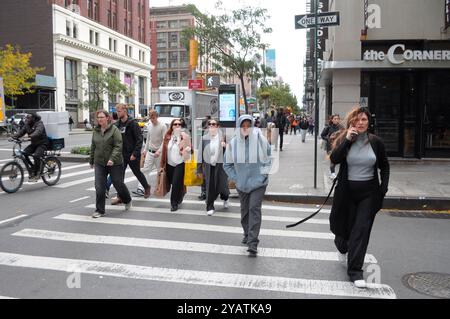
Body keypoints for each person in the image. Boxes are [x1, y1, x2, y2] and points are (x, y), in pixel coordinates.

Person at [329, 106, 389, 289]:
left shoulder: (376, 142)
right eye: (357, 120)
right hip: (346, 193)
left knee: (361, 231)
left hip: (368, 194)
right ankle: (342, 246)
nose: (361, 123)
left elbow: (384, 167)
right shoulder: (344, 139)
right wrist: (347, 140)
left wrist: (382, 189)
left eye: (364, 119)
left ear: (369, 122)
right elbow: (335, 159)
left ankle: (355, 271)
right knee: (342, 231)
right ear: (351, 122)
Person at [224, 115, 272, 257]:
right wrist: (236, 178)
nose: (246, 128)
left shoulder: (260, 140)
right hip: (242, 184)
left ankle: (253, 242)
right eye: (243, 125)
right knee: (245, 211)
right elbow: (227, 164)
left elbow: (269, 159)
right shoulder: (233, 143)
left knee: (254, 209)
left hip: (259, 183)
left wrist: (264, 175)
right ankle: (247, 233)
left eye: (248, 125)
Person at [89, 110, 132, 218]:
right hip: (100, 163)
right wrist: (91, 160)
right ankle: (100, 210)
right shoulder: (96, 131)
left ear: (107, 118)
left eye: (102, 117)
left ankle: (127, 199)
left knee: (118, 184)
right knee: (99, 187)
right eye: (98, 117)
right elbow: (93, 146)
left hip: (115, 163)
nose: (99, 119)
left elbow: (118, 146)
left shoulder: (114, 130)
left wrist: (112, 158)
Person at [112, 104, 151, 205]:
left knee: (137, 172)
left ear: (125, 111)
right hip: (121, 154)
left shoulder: (133, 123)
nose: (117, 113)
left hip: (132, 153)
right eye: (117, 111)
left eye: (119, 111)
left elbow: (139, 139)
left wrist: (135, 153)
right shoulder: (117, 125)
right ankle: (120, 196)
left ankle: (146, 187)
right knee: (119, 177)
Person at [198, 119, 230, 216]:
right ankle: (210, 206)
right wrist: (199, 168)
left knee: (223, 187)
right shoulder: (204, 138)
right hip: (209, 166)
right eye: (210, 124)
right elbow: (200, 154)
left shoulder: (223, 137)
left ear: (218, 126)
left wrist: (225, 146)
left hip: (221, 166)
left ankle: (225, 197)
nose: (211, 126)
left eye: (213, 124)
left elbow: (231, 151)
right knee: (210, 186)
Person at [159, 119, 192, 212]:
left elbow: (191, 149)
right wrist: (158, 152)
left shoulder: (185, 136)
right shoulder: (168, 136)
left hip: (180, 163)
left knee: (176, 183)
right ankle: (181, 194)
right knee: (173, 183)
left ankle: (174, 204)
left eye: (179, 124)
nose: (177, 125)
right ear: (172, 126)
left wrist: (188, 149)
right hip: (169, 163)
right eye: (175, 124)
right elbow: (163, 146)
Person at [134, 109, 167, 196]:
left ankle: (161, 188)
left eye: (153, 118)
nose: (152, 120)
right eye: (150, 118)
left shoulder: (163, 126)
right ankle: (141, 188)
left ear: (157, 117)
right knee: (145, 170)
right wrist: (145, 150)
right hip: (150, 152)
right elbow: (148, 139)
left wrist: (159, 151)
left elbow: (164, 141)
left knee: (160, 171)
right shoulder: (149, 126)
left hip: (158, 153)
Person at [13, 114, 49, 182]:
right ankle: (33, 167)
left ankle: (37, 172)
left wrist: (30, 136)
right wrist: (14, 136)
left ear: (33, 118)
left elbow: (38, 132)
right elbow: (21, 132)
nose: (27, 119)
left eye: (29, 118)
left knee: (36, 156)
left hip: (42, 143)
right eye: (26, 118)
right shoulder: (27, 125)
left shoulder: (39, 123)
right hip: (34, 144)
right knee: (24, 153)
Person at [321, 114, 343, 180]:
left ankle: (335, 173)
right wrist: (328, 138)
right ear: (332, 120)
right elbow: (322, 135)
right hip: (330, 146)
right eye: (335, 119)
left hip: (339, 146)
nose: (336, 120)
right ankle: (332, 173)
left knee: (339, 159)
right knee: (332, 160)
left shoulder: (341, 127)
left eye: (337, 119)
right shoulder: (328, 127)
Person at [105, 112, 118, 198]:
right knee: (114, 173)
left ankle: (106, 188)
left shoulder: (109, 125)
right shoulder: (117, 126)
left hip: (108, 152)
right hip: (114, 153)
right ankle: (107, 188)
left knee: (111, 172)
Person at [198, 115, 211, 201]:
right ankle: (204, 192)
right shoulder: (204, 130)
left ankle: (207, 193)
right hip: (205, 156)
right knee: (204, 176)